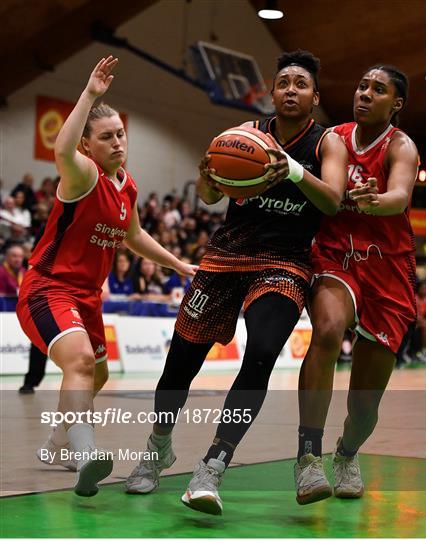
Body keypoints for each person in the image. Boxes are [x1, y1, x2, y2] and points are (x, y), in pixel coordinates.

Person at [126, 50, 348, 515]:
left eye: (300, 84)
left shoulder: (327, 142)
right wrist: (207, 177)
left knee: (263, 354)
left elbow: (331, 200)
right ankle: (157, 448)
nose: (291, 89)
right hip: (225, 256)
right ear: (272, 92)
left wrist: (287, 167)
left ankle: (213, 465)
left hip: (284, 263)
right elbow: (209, 196)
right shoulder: (242, 136)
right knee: (179, 366)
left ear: (315, 96)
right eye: (283, 82)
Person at [16, 56, 196, 497]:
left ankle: (57, 444)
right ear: (87, 146)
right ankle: (85, 452)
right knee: (78, 362)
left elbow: (133, 235)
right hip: (47, 289)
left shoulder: (127, 186)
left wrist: (177, 264)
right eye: (106, 136)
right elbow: (61, 149)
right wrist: (90, 95)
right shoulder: (82, 174)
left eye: (120, 134)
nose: (117, 142)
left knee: (95, 376)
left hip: (87, 298)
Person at [294, 64, 419, 504]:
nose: (364, 93)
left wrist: (375, 200)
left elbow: (400, 197)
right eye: (361, 85)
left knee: (364, 407)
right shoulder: (334, 138)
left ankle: (346, 453)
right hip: (336, 254)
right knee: (327, 330)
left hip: (388, 269)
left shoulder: (401, 146)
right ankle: (308, 457)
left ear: (396, 104)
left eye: (378, 89)